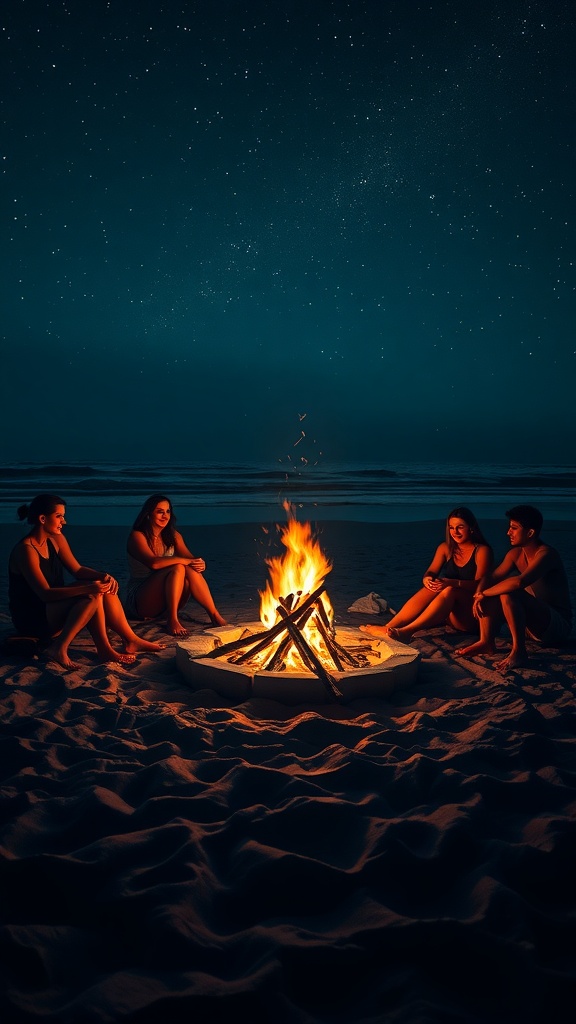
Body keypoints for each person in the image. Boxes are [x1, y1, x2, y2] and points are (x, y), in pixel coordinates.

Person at [8, 494, 163, 670]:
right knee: (92, 595)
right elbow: (45, 594)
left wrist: (102, 576)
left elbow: (77, 570)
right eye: (59, 516)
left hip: (53, 610)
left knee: (102, 588)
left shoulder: (56, 538)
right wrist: (88, 588)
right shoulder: (26, 550)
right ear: (43, 519)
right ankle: (61, 648)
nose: (64, 521)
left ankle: (130, 639)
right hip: (32, 618)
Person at [456, 505, 572, 671]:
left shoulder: (546, 554)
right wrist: (479, 593)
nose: (508, 532)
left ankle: (519, 652)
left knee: (508, 591)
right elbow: (490, 578)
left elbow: (519, 582)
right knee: (495, 589)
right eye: (509, 527)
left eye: (514, 528)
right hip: (529, 626)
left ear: (530, 533)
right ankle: (486, 642)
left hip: (555, 627)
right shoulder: (515, 554)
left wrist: (484, 593)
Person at [360, 507, 493, 644]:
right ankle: (389, 626)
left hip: (472, 616)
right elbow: (431, 572)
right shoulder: (445, 548)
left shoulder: (482, 550)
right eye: (451, 528)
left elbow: (480, 585)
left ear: (471, 528)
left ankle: (406, 632)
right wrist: (427, 579)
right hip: (450, 615)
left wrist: (453, 583)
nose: (455, 532)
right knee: (434, 586)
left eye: (460, 527)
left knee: (449, 590)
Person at [126, 494, 226, 636]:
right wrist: (185, 561)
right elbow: (154, 563)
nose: (165, 516)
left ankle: (214, 615)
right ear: (148, 514)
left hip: (165, 600)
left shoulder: (173, 535)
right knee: (178, 567)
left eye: (168, 511)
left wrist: (199, 563)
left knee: (188, 568)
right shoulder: (138, 536)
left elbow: (191, 559)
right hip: (140, 601)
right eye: (160, 512)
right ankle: (172, 619)